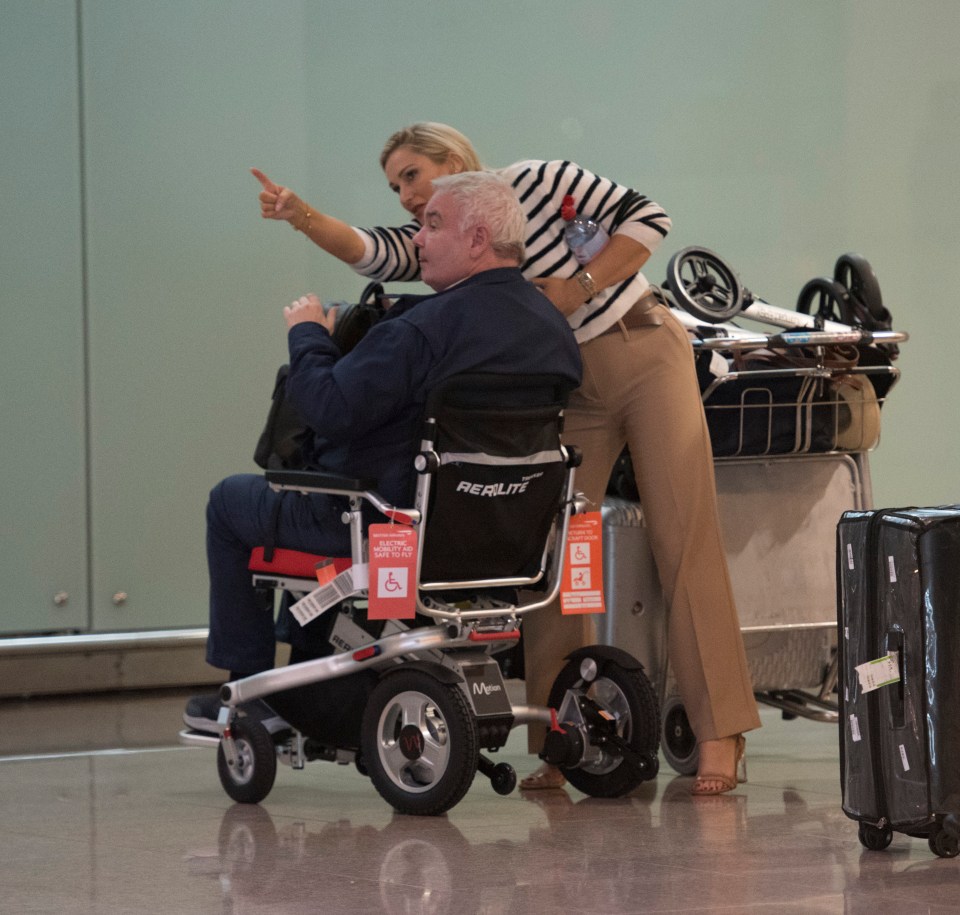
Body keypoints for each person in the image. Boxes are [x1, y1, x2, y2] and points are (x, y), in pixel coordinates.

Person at [251, 123, 762, 796]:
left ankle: (720, 731)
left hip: (639, 347)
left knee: (683, 537)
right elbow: (369, 252)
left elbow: (649, 217)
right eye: (395, 186)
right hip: (570, 383)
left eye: (411, 176)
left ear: (453, 161)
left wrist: (577, 285)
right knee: (544, 551)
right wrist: (300, 215)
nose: (404, 197)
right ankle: (559, 734)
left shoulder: (536, 183)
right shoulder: (445, 235)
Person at [184, 171, 582, 732]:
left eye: (432, 225)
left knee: (230, 502)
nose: (417, 238)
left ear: (477, 239)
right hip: (505, 537)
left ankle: (248, 692)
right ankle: (307, 672)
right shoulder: (552, 328)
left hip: (386, 525)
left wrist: (307, 335)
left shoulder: (422, 329)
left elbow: (329, 410)